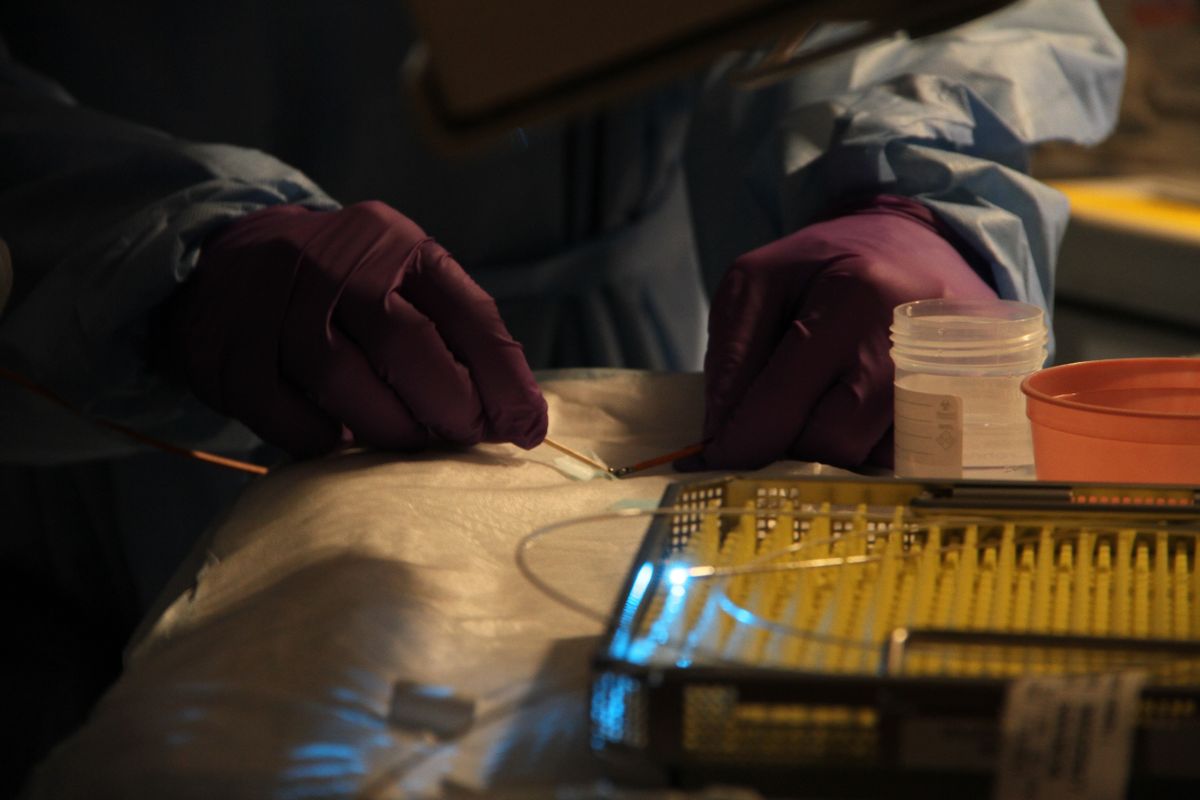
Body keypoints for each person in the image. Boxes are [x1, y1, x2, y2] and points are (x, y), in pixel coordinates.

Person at [0, 0, 1123, 793]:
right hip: (112, 398)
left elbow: (928, 17)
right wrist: (151, 244)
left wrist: (911, 192)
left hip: (638, 343)